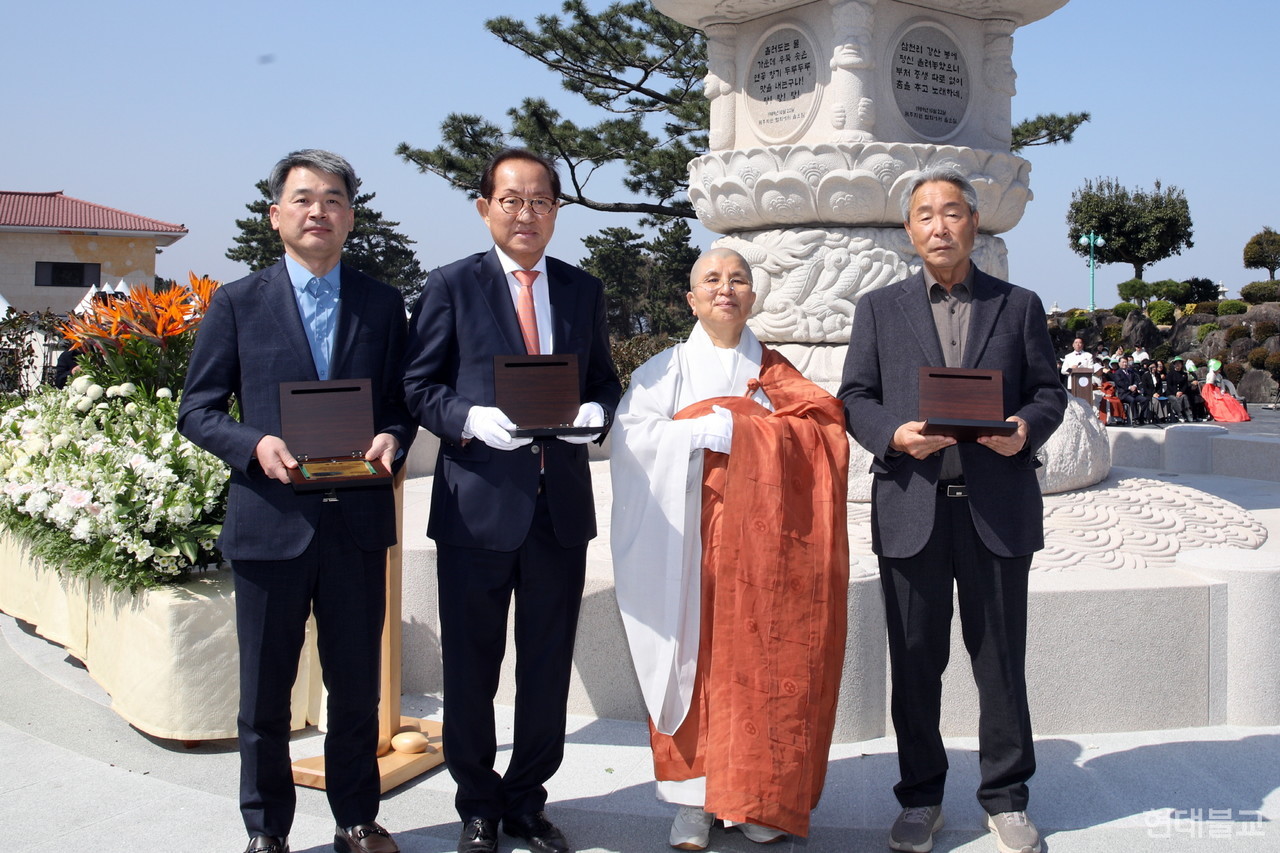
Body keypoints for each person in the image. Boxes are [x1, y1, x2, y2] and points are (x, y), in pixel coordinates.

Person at [178, 150, 416, 853]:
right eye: (305, 198)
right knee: (265, 695)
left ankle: (355, 818)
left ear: (351, 216)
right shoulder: (237, 301)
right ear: (276, 213)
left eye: (335, 199)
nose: (320, 211)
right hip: (269, 524)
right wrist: (254, 445)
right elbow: (197, 408)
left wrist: (391, 437)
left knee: (355, 689)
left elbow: (402, 404)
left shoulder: (381, 302)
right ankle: (267, 829)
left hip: (356, 527)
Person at [838, 167, 1067, 853]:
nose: (940, 226)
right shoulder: (879, 309)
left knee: (1000, 661)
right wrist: (894, 435)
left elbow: (1049, 391)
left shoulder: (1018, 305)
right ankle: (921, 796)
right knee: (914, 662)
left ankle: (1006, 794)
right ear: (909, 230)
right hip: (913, 506)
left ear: (974, 221)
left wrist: (1024, 429)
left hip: (996, 509)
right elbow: (855, 396)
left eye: (953, 212)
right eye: (925, 215)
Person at [401, 148, 622, 853]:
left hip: (558, 507)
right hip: (477, 507)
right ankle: (478, 803)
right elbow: (417, 385)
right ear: (484, 207)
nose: (526, 213)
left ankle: (528, 798)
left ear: (557, 210)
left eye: (540, 201)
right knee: (472, 663)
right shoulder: (451, 285)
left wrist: (598, 412)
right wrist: (468, 419)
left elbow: (605, 380)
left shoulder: (582, 290)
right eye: (511, 199)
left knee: (548, 661)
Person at [610, 248, 850, 850]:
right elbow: (632, 440)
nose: (726, 288)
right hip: (685, 545)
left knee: (761, 661)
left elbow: (825, 430)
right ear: (691, 299)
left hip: (765, 552)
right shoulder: (661, 372)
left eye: (738, 279)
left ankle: (756, 795)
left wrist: (751, 431)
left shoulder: (777, 373)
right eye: (711, 280)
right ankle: (693, 798)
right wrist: (691, 432)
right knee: (692, 657)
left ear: (753, 297)